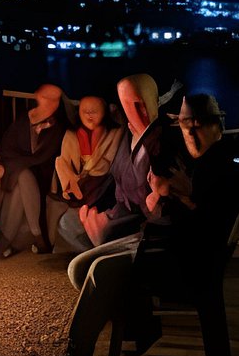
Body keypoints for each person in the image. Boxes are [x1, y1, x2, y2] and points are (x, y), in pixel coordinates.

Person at [43, 94, 239, 356]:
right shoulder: (193, 161)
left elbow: (207, 229)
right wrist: (159, 195)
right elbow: (165, 206)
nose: (190, 133)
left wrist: (185, 197)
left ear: (218, 127)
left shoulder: (225, 165)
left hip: (186, 260)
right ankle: (141, 326)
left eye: (198, 126)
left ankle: (78, 355)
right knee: (79, 267)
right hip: (160, 243)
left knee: (101, 271)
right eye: (186, 125)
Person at [59, 74, 179, 289]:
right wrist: (108, 216)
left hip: (149, 230)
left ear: (153, 101)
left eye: (141, 103)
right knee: (68, 223)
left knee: (82, 270)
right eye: (128, 104)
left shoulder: (164, 139)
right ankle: (108, 263)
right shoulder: (126, 136)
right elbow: (121, 189)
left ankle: (116, 275)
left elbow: (163, 205)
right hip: (125, 217)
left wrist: (108, 229)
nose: (137, 111)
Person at [0, 84, 71, 256]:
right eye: (47, 98)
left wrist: (7, 167)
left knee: (23, 175)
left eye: (55, 100)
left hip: (42, 175)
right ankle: (38, 236)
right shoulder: (24, 119)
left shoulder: (57, 126)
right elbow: (7, 148)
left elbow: (42, 157)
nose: (51, 103)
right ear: (38, 96)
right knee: (21, 178)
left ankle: (5, 240)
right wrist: (7, 165)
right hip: (18, 174)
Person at [46, 96, 124, 249]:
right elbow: (64, 160)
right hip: (78, 183)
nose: (89, 115)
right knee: (66, 220)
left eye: (94, 111)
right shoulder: (72, 134)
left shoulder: (113, 133)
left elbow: (108, 162)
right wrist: (70, 177)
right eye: (85, 111)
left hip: (102, 185)